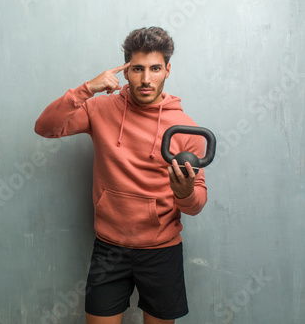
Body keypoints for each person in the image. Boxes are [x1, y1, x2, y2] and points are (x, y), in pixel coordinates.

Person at [34, 27, 208, 324]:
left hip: (161, 251)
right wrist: (86, 89)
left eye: (154, 69)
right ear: (125, 71)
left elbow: (195, 206)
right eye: (137, 69)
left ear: (167, 70)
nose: (145, 79)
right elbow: (46, 127)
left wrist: (184, 192)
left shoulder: (185, 128)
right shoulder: (100, 108)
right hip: (109, 248)